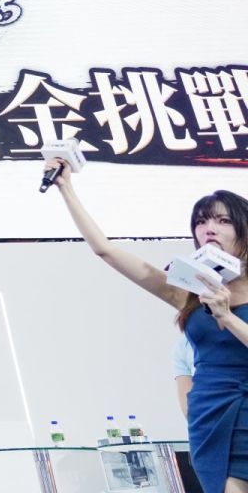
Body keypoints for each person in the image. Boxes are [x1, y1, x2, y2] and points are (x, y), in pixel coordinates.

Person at [50, 158, 248, 493]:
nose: (208, 228)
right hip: (211, 415)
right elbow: (106, 250)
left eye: (222, 220)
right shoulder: (188, 290)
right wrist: (65, 187)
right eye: (201, 222)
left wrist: (226, 316)